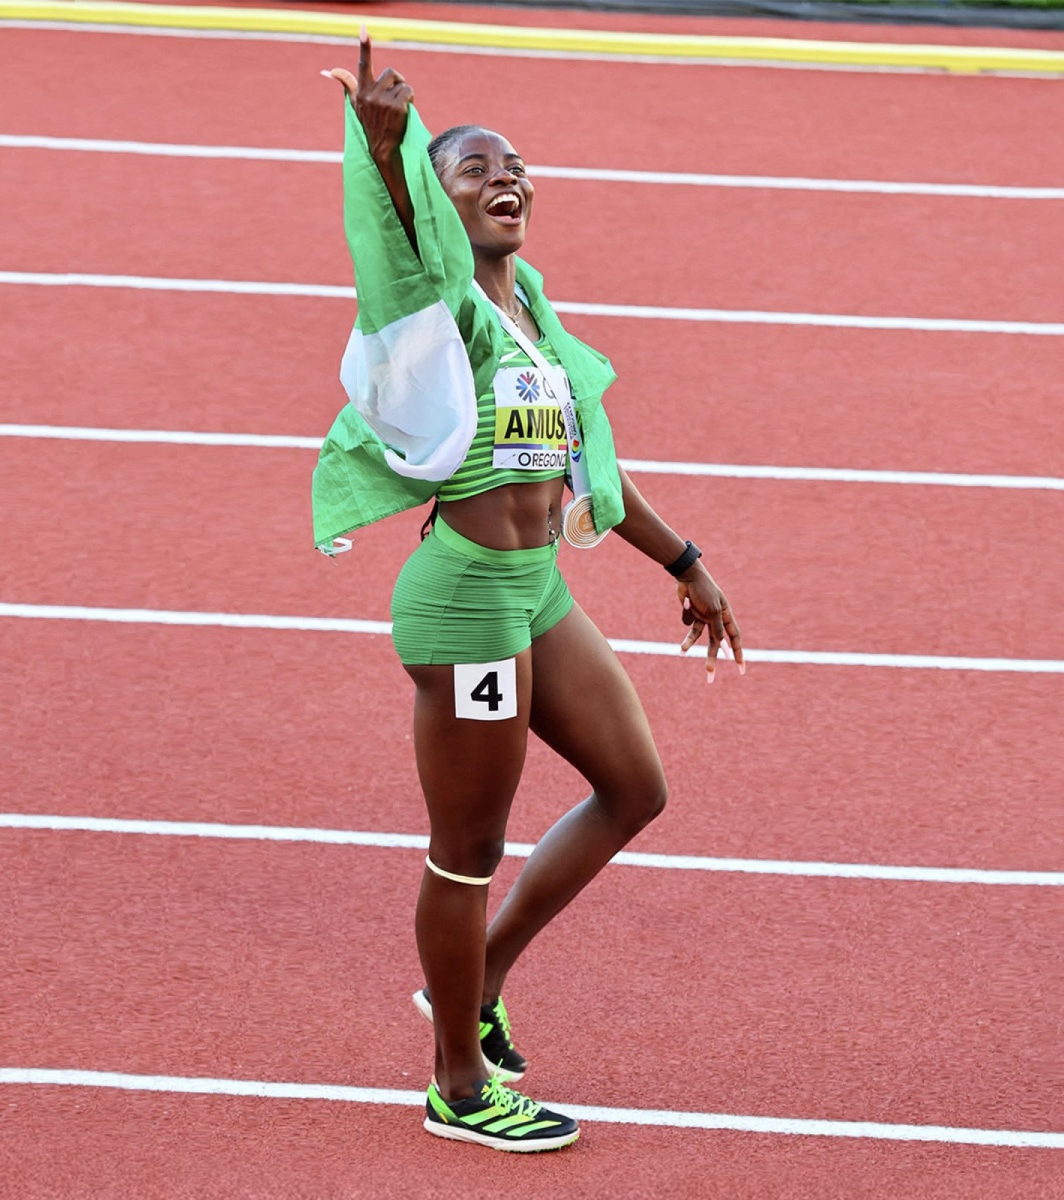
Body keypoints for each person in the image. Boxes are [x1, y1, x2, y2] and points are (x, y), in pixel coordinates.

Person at [316, 31, 744, 1154]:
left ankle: (480, 979)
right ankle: (458, 1084)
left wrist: (685, 561)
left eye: (516, 169)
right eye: (476, 169)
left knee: (634, 787)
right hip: (466, 606)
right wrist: (387, 152)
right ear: (439, 200)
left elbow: (587, 469)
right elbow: (396, 255)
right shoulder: (443, 312)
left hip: (535, 589)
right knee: (468, 849)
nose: (506, 179)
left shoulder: (533, 320)